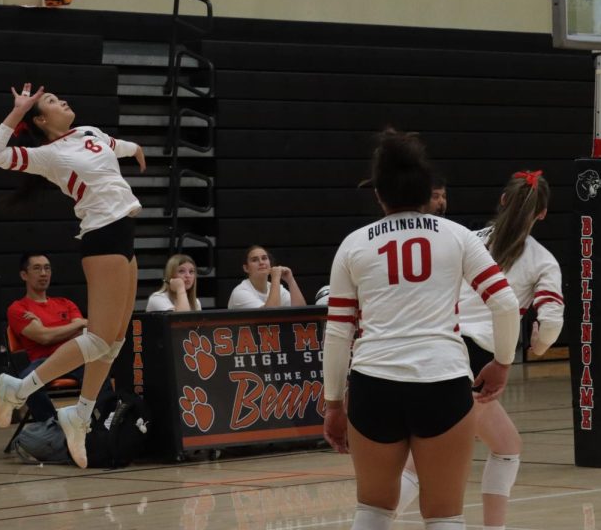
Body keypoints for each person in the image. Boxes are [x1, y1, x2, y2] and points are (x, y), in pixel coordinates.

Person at [322, 130, 521, 530]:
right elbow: (505, 303)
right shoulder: (458, 236)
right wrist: (501, 362)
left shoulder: (354, 244)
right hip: (442, 382)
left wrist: (333, 405)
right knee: (445, 515)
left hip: (373, 384)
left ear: (379, 193)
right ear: (428, 190)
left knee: (373, 511)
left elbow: (339, 333)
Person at [0, 83, 145, 468]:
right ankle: (18, 387)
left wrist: (134, 148)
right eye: (52, 102)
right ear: (40, 120)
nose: (63, 100)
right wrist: (17, 111)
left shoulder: (89, 132)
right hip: (101, 235)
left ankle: (81, 413)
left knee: (115, 342)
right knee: (98, 338)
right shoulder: (46, 155)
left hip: (125, 232)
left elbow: (113, 145)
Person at [397, 169, 563, 530]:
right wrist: (538, 343)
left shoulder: (465, 239)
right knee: (423, 462)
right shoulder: (543, 261)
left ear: (502, 200)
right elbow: (550, 322)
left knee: (506, 446)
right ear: (543, 213)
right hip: (472, 361)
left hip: (433, 345)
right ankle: (373, 522)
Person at [6, 253, 92, 422]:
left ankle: (105, 421)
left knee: (100, 366)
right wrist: (77, 324)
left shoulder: (65, 303)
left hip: (74, 357)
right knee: (25, 381)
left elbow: (83, 332)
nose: (43, 273)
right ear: (24, 275)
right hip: (45, 361)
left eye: (47, 268)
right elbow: (44, 338)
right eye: (37, 268)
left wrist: (48, 330)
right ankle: (51, 424)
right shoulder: (18, 308)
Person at [226, 246, 307, 309]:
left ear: (270, 264)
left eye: (264, 258)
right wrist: (275, 278)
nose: (261, 262)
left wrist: (290, 280)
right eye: (255, 260)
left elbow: (301, 312)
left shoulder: (277, 288)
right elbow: (270, 317)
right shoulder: (240, 292)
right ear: (246, 268)